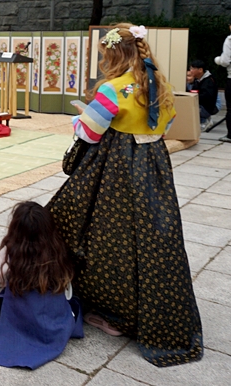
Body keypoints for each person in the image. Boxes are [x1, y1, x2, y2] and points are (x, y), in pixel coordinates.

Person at [48, 23, 203, 367]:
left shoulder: (113, 89)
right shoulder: (161, 85)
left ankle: (111, 310)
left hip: (116, 169)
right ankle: (142, 307)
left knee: (105, 233)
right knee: (149, 235)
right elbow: (164, 124)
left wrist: (81, 118)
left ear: (114, 55)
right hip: (153, 168)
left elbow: (88, 132)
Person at [0, 202, 83, 369]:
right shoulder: (57, 249)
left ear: (15, 228)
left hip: (21, 319)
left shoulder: (11, 252)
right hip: (55, 320)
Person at [186, 59, 219, 131]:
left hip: (205, 108)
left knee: (185, 109)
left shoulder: (209, 81)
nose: (191, 70)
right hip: (199, 105)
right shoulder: (198, 80)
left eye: (193, 68)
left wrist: (192, 97)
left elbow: (206, 97)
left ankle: (204, 120)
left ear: (200, 70)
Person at [214, 23, 231, 143]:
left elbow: (225, 61)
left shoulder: (230, 39)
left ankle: (230, 135)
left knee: (230, 108)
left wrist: (217, 60)